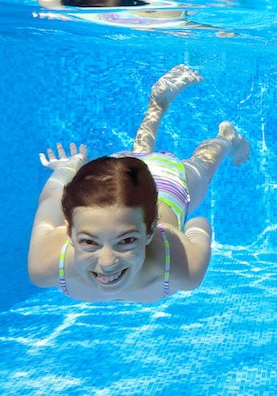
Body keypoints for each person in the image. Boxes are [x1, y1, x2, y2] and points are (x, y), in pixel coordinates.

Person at [28, 64, 250, 303]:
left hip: (167, 184)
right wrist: (65, 169)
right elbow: (52, 199)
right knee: (142, 162)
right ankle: (157, 103)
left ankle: (226, 139)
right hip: (122, 172)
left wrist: (67, 170)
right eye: (89, 242)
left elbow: (198, 223)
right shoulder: (46, 262)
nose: (107, 263)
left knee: (203, 167)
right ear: (69, 232)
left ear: (150, 231)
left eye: (126, 240)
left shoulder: (181, 266)